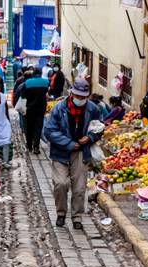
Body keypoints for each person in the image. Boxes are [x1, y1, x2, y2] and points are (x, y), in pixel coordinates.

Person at [43, 77, 104, 229]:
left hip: (81, 152)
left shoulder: (93, 109)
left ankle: (77, 217)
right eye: (77, 96)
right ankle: (61, 213)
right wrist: (70, 143)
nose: (80, 99)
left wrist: (90, 137)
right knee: (60, 183)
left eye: (83, 97)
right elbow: (49, 131)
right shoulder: (59, 108)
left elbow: (98, 128)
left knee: (79, 187)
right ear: (72, 94)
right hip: (61, 151)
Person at [17, 68, 50, 154]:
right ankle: (36, 147)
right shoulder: (46, 82)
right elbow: (46, 92)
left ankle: (29, 146)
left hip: (30, 108)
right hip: (41, 108)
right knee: (38, 127)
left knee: (29, 127)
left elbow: (23, 95)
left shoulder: (27, 82)